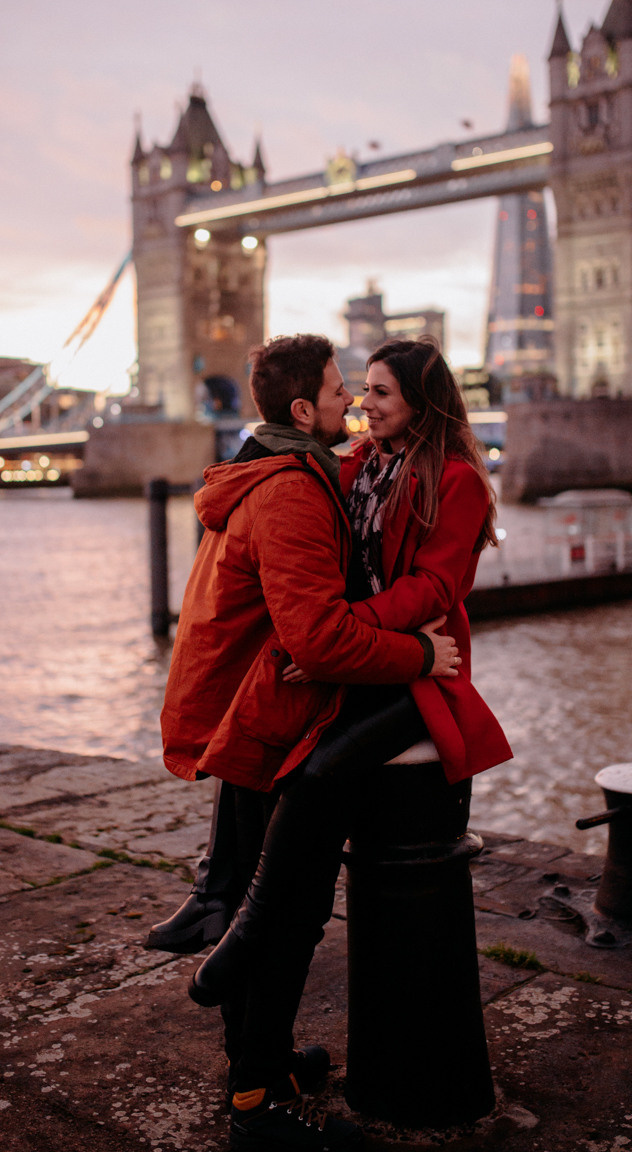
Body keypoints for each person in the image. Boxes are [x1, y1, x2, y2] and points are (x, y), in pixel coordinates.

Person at [158, 334, 464, 1152]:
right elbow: (321, 640)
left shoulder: (287, 466)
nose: (351, 405)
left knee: (270, 895)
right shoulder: (292, 491)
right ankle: (256, 1095)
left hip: (257, 705)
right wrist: (423, 655)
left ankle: (266, 1062)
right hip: (267, 716)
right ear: (303, 412)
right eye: (340, 391)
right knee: (283, 911)